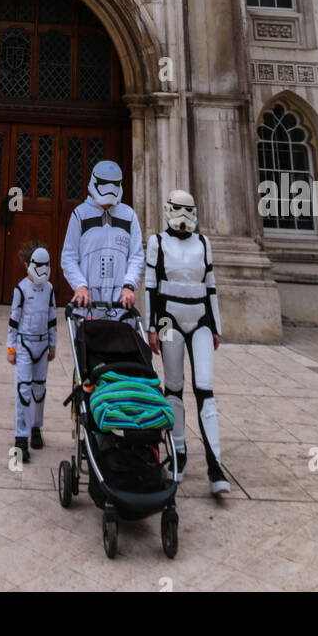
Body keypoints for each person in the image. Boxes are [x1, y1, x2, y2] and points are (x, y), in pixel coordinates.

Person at [145, 188, 229, 495]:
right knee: (174, 387)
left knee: (205, 389)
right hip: (169, 317)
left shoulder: (204, 243)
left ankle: (215, 465)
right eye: (177, 208)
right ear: (168, 209)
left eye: (187, 209)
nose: (182, 215)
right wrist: (151, 327)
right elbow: (150, 286)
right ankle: (178, 454)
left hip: (200, 317)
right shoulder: (157, 242)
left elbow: (211, 286)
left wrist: (216, 326)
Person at [61, 159, 144, 312]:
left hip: (120, 302)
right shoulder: (80, 214)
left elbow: (136, 256)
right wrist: (80, 286)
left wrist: (129, 285)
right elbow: (69, 256)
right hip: (88, 302)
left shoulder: (129, 215)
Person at [7, 242, 57, 462]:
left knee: (39, 389)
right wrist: (11, 348)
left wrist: (53, 345)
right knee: (23, 390)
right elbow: (13, 320)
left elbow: (53, 318)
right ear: (28, 265)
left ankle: (36, 427)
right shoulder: (21, 289)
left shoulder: (49, 290)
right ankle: (21, 437)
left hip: (42, 343)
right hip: (25, 344)